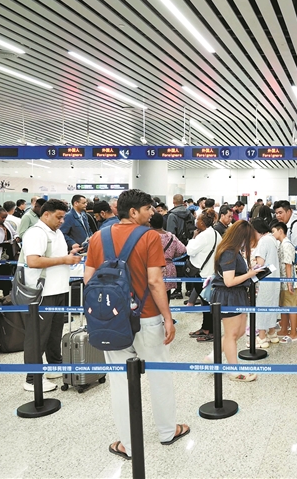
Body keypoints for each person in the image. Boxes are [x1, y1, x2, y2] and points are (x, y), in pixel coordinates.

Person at [84, 189, 189, 459]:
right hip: (147, 317)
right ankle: (167, 431)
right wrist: (168, 317)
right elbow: (155, 281)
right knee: (159, 375)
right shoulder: (149, 237)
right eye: (147, 208)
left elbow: (88, 280)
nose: (152, 212)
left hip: (112, 320)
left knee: (120, 381)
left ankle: (128, 445)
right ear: (133, 212)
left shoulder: (97, 237)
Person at [21, 199, 82, 392]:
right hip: (42, 293)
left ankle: (54, 364)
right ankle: (32, 378)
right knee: (38, 335)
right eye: (59, 217)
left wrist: (70, 253)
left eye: (63, 217)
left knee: (55, 332)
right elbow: (33, 261)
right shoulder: (36, 233)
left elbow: (54, 256)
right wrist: (64, 259)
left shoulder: (57, 233)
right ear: (46, 214)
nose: (62, 221)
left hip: (59, 289)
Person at [208, 220, 259, 381]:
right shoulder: (229, 252)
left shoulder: (234, 251)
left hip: (237, 295)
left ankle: (212, 357)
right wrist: (249, 274)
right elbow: (229, 281)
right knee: (231, 334)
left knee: (240, 331)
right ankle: (234, 371)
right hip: (229, 295)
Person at [185, 210, 221, 342]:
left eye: (198, 220)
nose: (196, 221)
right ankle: (206, 328)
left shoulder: (203, 236)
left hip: (202, 274)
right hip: (211, 273)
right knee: (207, 302)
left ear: (202, 223)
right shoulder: (216, 233)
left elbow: (189, 250)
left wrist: (193, 237)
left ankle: (210, 331)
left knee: (206, 303)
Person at [250, 218, 280, 347]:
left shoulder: (263, 241)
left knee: (262, 306)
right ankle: (272, 333)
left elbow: (260, 263)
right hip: (275, 278)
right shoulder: (272, 239)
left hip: (264, 279)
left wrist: (251, 260)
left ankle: (262, 337)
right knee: (272, 305)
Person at [271, 221, 297, 343]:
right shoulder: (281, 244)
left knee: (291, 306)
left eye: (273, 231)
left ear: (280, 231)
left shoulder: (287, 245)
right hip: (283, 280)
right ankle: (284, 329)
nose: (273, 234)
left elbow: (289, 265)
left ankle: (293, 333)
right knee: (284, 305)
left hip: (288, 281)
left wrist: (289, 283)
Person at [150, 212, 186, 299]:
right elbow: (182, 250)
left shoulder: (149, 236)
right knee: (166, 296)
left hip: (153, 268)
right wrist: (172, 255)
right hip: (169, 268)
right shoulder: (171, 236)